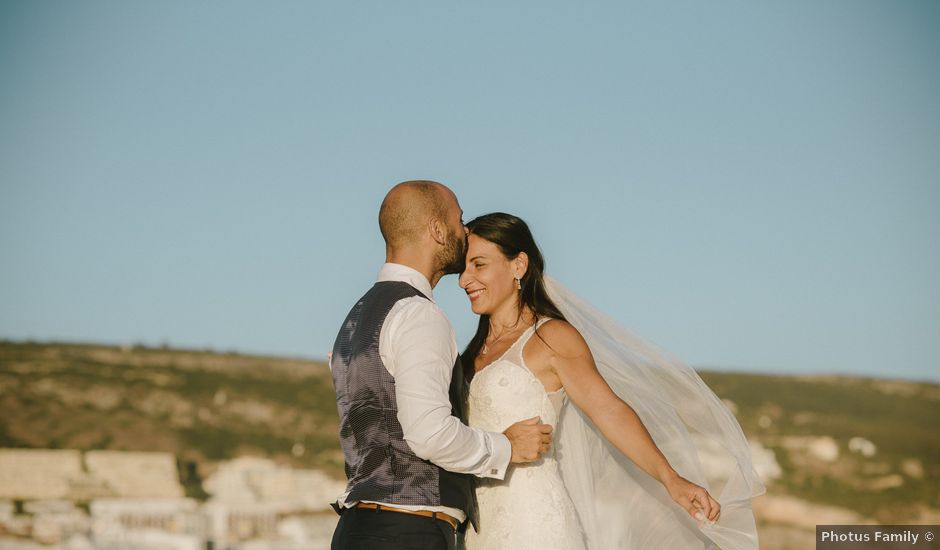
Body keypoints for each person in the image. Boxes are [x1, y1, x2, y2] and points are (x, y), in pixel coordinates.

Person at [458, 212, 765, 550]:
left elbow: (608, 411)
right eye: (464, 268)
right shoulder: (468, 355)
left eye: (478, 265)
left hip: (533, 523)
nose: (464, 280)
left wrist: (671, 479)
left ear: (518, 266)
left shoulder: (551, 337)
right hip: (476, 527)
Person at [329, 182, 554, 550]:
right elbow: (429, 433)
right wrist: (506, 447)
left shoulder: (357, 317)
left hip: (356, 530)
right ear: (437, 230)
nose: (465, 231)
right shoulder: (418, 314)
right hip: (407, 532)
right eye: (459, 219)